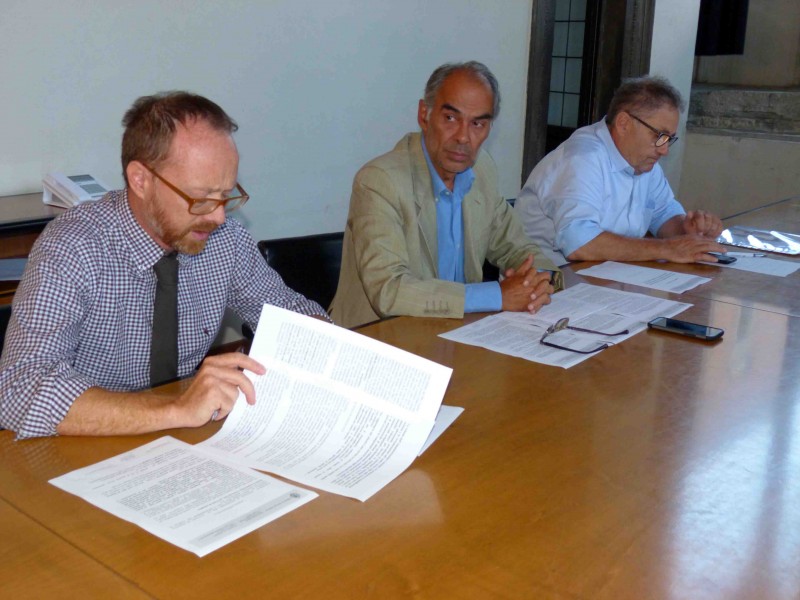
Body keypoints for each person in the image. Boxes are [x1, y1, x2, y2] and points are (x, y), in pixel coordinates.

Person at [0, 92, 328, 439]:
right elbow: (19, 388)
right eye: (200, 198)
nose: (218, 216)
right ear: (141, 180)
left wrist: (332, 348)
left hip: (184, 438)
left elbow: (289, 312)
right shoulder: (73, 247)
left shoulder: (224, 239)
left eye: (225, 195)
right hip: (87, 441)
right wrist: (177, 409)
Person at [330, 61, 561, 329]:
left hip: (456, 331)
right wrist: (498, 295)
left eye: (477, 123)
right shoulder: (379, 181)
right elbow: (389, 290)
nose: (463, 137)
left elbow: (517, 247)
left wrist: (538, 281)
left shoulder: (481, 170)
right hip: (380, 336)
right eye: (451, 118)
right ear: (424, 115)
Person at [514, 75, 726, 266]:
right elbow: (579, 243)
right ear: (624, 123)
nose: (664, 150)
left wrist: (687, 230)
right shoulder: (583, 158)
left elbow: (663, 214)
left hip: (606, 275)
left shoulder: (644, 161)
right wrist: (666, 249)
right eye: (659, 136)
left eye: (669, 139)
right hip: (549, 281)